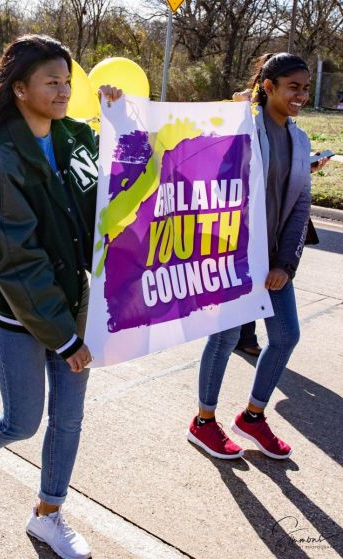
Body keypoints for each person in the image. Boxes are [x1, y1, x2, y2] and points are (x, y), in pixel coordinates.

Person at [0, 35, 120, 559]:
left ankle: (47, 514)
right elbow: (18, 264)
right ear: (19, 89)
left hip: (72, 301)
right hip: (20, 314)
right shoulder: (2, 162)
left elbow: (117, 189)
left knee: (69, 418)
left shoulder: (75, 137)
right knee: (22, 421)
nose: (63, 91)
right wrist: (64, 338)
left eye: (67, 81)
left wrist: (119, 124)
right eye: (51, 82)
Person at [187, 52, 330, 461]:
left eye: (305, 88)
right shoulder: (243, 128)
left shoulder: (299, 140)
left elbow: (300, 206)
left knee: (285, 336)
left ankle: (252, 417)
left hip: (273, 263)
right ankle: (203, 422)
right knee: (225, 337)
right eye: (293, 87)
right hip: (234, 257)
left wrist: (285, 264)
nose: (301, 95)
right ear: (268, 87)